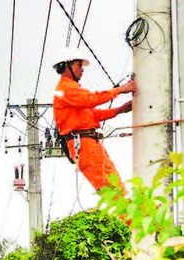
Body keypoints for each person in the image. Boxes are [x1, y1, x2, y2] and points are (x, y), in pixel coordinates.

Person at [52, 48, 136, 195]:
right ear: (66, 66)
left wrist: (119, 110)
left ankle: (133, 215)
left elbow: (91, 115)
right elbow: (90, 99)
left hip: (89, 142)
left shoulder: (71, 89)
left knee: (116, 187)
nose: (82, 70)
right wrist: (120, 90)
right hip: (83, 144)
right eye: (79, 65)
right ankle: (128, 217)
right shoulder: (65, 89)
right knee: (110, 190)